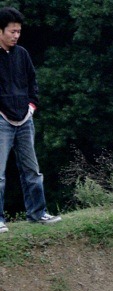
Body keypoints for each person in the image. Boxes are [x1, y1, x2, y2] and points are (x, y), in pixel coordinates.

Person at [0, 7, 60, 234]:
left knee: (32, 171)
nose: (16, 36)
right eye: (12, 31)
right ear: (0, 30)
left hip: (25, 119)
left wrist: (32, 107)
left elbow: (33, 82)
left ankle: (37, 213)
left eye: (18, 31)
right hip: (2, 121)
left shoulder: (22, 54)